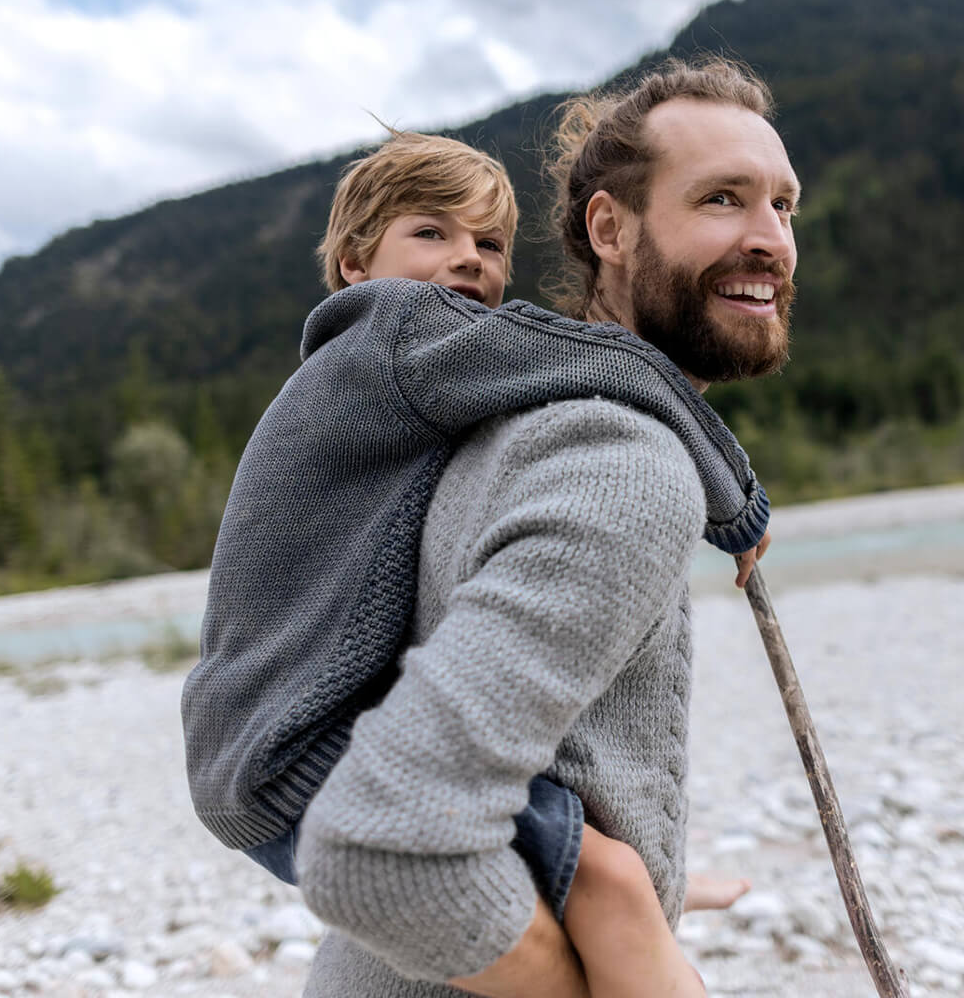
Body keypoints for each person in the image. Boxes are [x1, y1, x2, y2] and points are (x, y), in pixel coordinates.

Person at [182, 103, 769, 995]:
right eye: (431, 232)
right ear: (353, 267)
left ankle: (644, 904)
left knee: (604, 875)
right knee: (609, 882)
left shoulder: (396, 394)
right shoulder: (392, 333)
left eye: (491, 245)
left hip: (260, 747)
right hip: (293, 746)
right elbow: (585, 357)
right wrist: (734, 497)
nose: (468, 258)